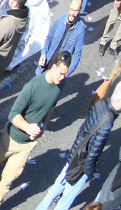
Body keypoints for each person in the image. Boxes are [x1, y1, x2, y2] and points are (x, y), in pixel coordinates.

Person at [0, 51, 69, 208]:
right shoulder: (32, 86)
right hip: (10, 138)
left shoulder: (61, 83)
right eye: (60, 73)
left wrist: (45, 124)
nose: (62, 77)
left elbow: (52, 104)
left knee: (7, 181)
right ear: (53, 67)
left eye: (65, 74)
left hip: (27, 145)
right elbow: (13, 114)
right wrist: (28, 127)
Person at [32, 81, 121, 210]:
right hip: (81, 165)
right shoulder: (108, 121)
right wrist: (89, 172)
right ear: (119, 101)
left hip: (74, 154)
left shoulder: (101, 103)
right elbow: (94, 151)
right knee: (65, 201)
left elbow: (82, 130)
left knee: (56, 188)